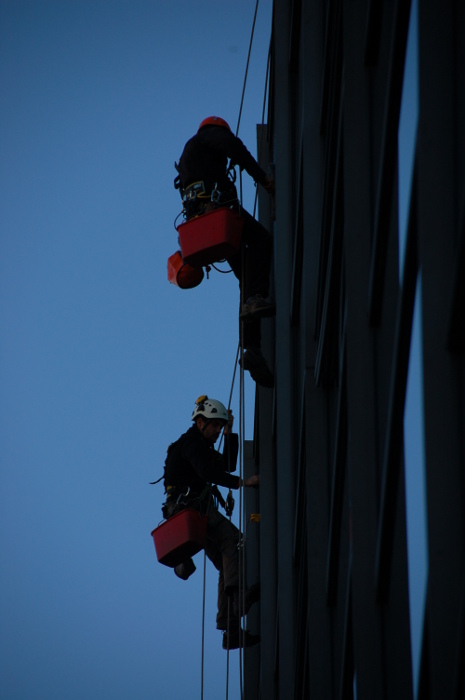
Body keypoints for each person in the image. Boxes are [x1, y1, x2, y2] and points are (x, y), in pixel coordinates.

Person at [174, 116, 275, 388]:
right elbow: (235, 148)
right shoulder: (209, 137)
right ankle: (255, 306)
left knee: (247, 276)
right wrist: (263, 179)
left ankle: (252, 349)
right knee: (262, 241)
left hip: (205, 225)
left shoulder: (187, 157)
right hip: (220, 214)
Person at [162, 395, 261, 650]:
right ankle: (238, 603)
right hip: (191, 509)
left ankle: (230, 629)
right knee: (235, 542)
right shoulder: (191, 445)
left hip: (191, 512)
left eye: (220, 426)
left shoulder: (199, 447)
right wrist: (242, 483)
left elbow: (225, 465)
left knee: (226, 560)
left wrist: (229, 432)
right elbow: (208, 473)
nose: (217, 430)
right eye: (215, 426)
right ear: (200, 423)